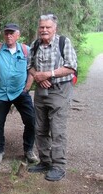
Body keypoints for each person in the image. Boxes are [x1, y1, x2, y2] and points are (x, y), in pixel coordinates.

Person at [27, 14, 77, 181]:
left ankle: (59, 166)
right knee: (40, 128)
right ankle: (45, 161)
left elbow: (71, 67)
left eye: (48, 27)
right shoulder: (35, 45)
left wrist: (49, 75)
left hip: (60, 90)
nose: (44, 30)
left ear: (54, 28)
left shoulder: (63, 42)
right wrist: (39, 77)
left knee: (57, 130)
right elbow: (30, 67)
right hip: (41, 91)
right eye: (42, 27)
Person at [0, 23, 38, 164]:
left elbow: (32, 69)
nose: (9, 35)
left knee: (31, 121)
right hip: (2, 92)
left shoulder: (26, 50)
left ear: (17, 35)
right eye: (7, 33)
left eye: (12, 33)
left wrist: (27, 87)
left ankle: (28, 150)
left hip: (20, 92)